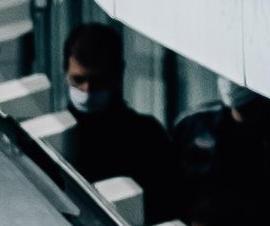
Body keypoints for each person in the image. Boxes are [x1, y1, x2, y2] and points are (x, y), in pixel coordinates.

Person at [48, 20, 176, 201]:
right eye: (78, 79)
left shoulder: (146, 137)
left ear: (118, 74)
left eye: (98, 80)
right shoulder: (50, 138)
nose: (87, 90)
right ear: (65, 73)